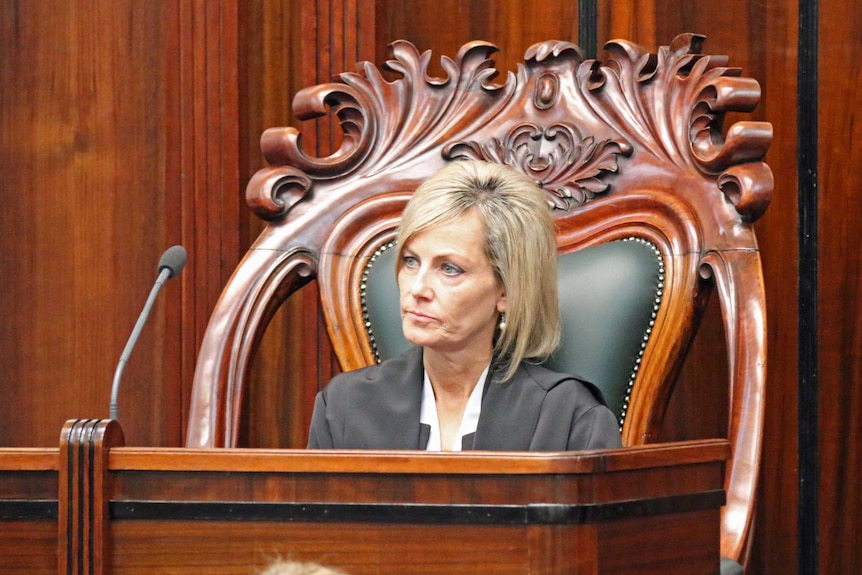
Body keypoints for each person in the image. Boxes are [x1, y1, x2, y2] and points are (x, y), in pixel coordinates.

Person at [307, 160, 622, 451]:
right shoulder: (343, 407)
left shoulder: (570, 418)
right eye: (410, 261)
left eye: (449, 269)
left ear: (507, 290)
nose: (417, 289)